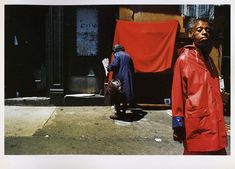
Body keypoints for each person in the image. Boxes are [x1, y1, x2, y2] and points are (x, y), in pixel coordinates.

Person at [171, 18, 227, 155]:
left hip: (214, 121)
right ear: (191, 34)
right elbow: (178, 93)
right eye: (199, 29)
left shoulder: (210, 61)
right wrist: (178, 124)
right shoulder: (184, 60)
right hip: (197, 123)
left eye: (207, 30)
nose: (204, 32)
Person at [106, 44, 135, 119]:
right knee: (125, 95)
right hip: (128, 78)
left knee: (117, 94)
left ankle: (118, 114)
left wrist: (108, 67)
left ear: (116, 50)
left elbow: (115, 65)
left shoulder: (117, 55)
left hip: (120, 77)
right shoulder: (128, 56)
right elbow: (132, 68)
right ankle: (124, 112)